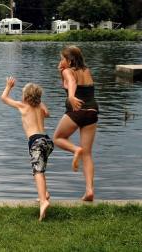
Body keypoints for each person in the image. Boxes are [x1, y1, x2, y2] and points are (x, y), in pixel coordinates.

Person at [1, 77, 53, 221]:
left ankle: (43, 201)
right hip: (47, 141)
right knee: (41, 169)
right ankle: (45, 194)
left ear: (25, 96)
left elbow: (4, 98)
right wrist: (40, 103)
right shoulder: (40, 107)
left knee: (38, 172)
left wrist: (8, 86)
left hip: (36, 142)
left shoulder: (23, 106)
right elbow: (47, 114)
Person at [53, 45, 98, 202]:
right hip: (92, 111)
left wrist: (71, 96)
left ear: (69, 60)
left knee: (58, 138)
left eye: (62, 58)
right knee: (88, 154)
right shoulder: (86, 70)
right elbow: (67, 82)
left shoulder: (68, 71)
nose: (60, 61)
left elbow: (71, 81)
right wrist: (61, 72)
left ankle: (75, 149)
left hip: (77, 111)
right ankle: (89, 191)